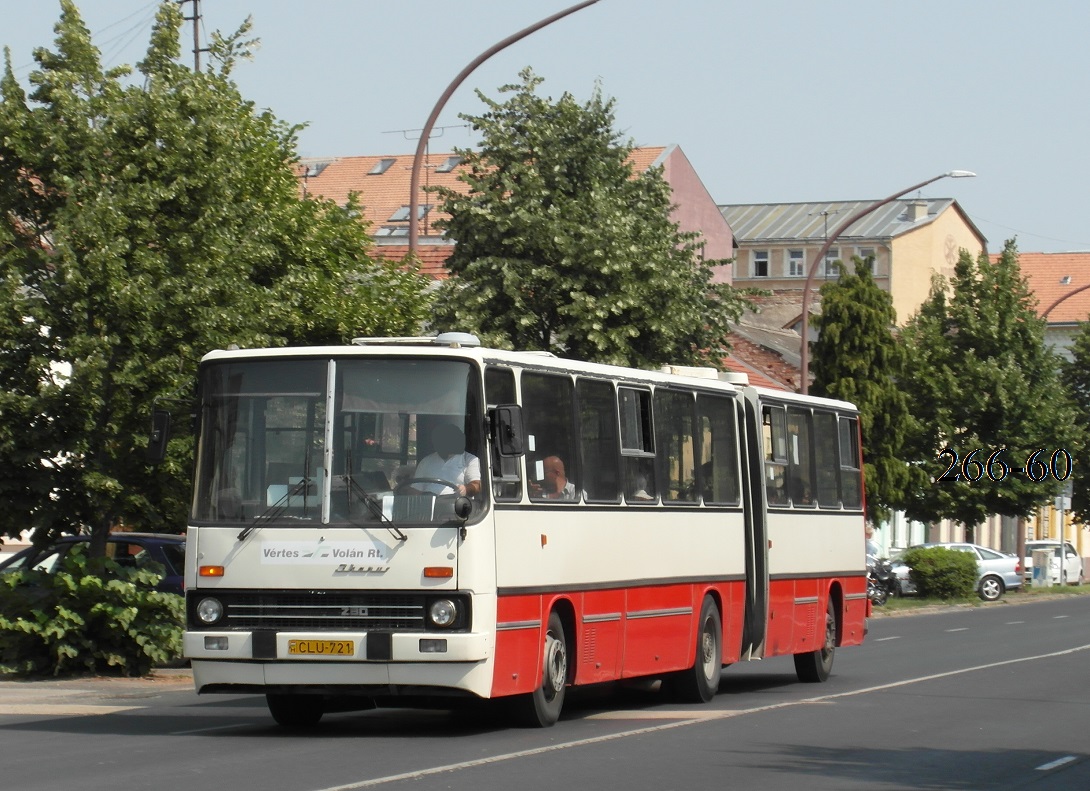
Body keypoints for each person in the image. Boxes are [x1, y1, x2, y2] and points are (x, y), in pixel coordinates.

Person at [414, 423, 481, 497]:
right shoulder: (426, 461)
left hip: (456, 505)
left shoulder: (469, 460)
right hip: (427, 503)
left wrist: (465, 489)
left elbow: (476, 485)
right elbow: (416, 490)